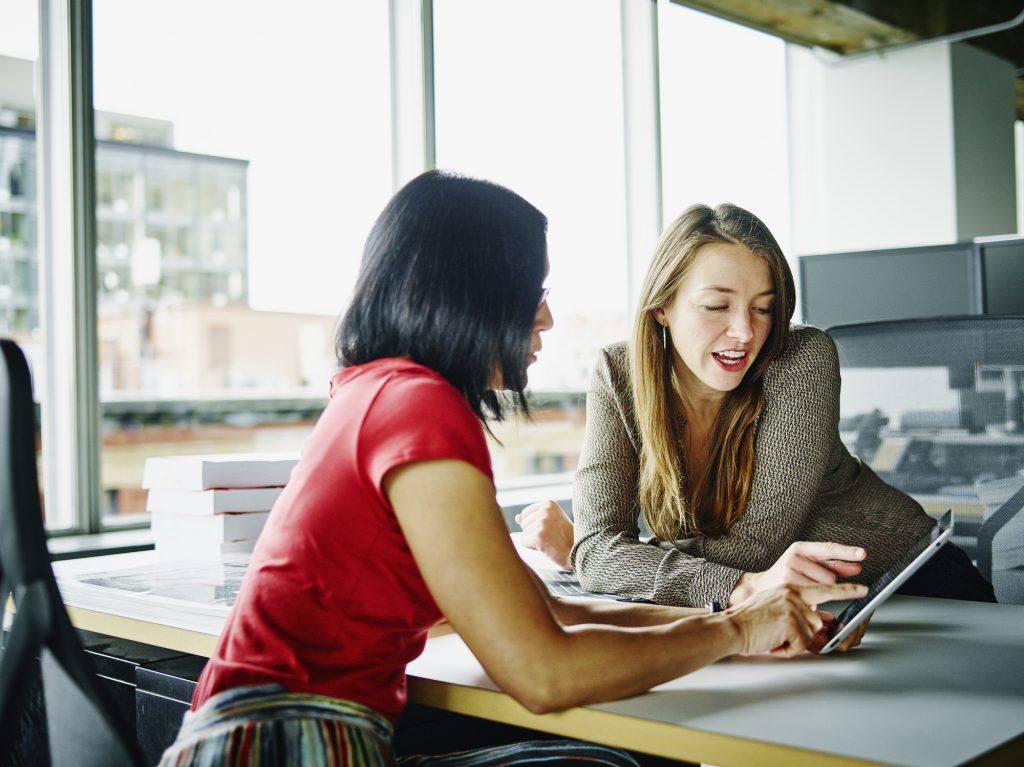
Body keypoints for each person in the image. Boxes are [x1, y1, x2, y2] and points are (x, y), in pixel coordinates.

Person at [158, 176, 868, 767]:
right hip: (287, 747)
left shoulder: (376, 392)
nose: (548, 317)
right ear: (471, 291)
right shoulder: (418, 409)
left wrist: (742, 621)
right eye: (532, 288)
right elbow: (543, 671)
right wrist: (733, 632)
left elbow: (555, 610)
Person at [517, 202, 995, 608]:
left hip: (912, 589)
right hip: (787, 609)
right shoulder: (618, 374)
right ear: (662, 307)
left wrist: (596, 555)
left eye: (763, 308)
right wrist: (595, 554)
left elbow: (754, 548)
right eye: (716, 306)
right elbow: (602, 550)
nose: (745, 332)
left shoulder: (800, 358)